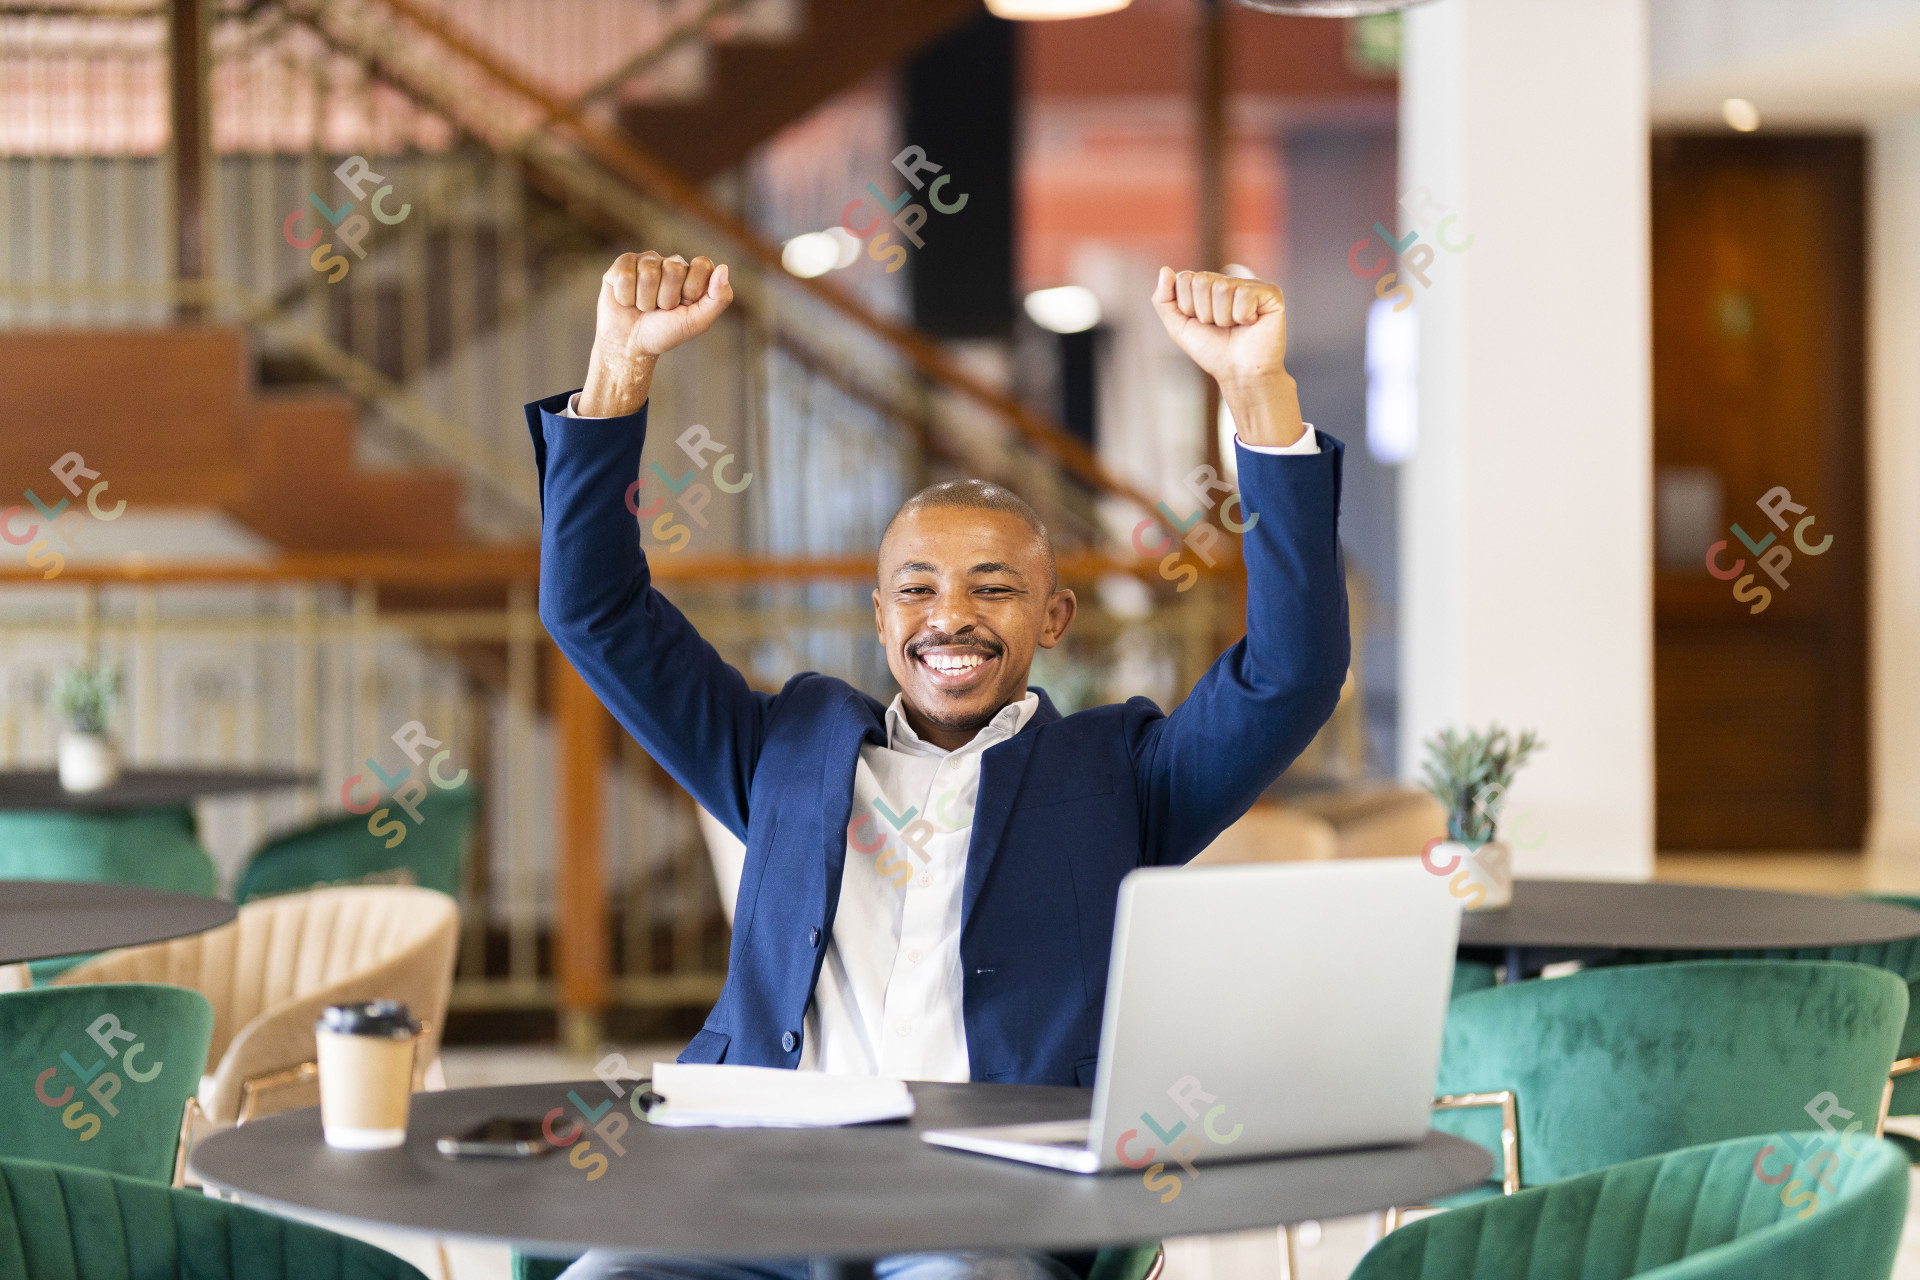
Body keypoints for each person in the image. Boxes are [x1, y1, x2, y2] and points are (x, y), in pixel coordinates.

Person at [527, 251, 1350, 1280]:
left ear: (1054, 617)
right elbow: (591, 609)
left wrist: (1253, 392)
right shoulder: (781, 745)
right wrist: (616, 369)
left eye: (992, 587)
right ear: (880, 618)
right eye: (915, 588)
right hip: (750, 1188)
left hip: (986, 1205)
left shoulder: (1120, 775)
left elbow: (1292, 671)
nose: (949, 614)